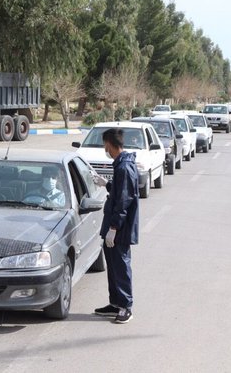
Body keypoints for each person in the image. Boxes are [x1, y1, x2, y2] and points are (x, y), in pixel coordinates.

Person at [92, 128, 139, 324]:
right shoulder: (120, 165)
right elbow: (119, 192)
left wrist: (114, 228)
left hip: (119, 229)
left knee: (120, 266)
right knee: (112, 266)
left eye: (105, 145)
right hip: (113, 226)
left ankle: (126, 306)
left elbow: (124, 202)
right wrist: (107, 184)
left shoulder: (124, 168)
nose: (104, 148)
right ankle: (115, 303)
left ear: (109, 144)